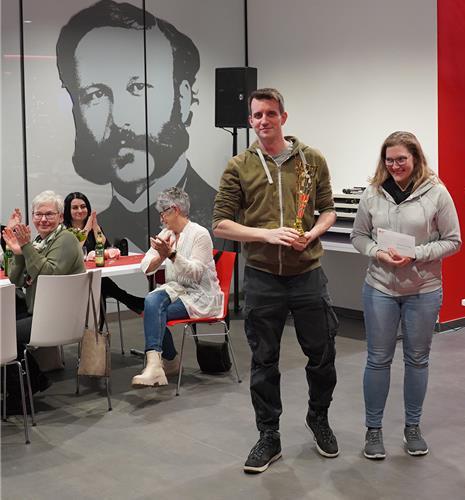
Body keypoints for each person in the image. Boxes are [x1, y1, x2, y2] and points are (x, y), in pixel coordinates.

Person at [213, 88, 339, 473]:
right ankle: (269, 435)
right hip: (263, 277)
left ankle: (318, 417)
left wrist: (313, 234)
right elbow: (221, 222)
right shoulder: (238, 166)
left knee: (321, 354)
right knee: (264, 360)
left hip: (307, 274)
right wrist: (266, 234)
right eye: (256, 115)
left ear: (283, 117)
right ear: (250, 121)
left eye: (270, 113)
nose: (263, 121)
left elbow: (328, 210)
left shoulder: (312, 160)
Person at [56, 0, 217, 251]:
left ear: (182, 98)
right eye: (96, 95)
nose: (119, 119)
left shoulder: (220, 219)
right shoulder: (95, 229)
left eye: (138, 88)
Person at [351, 131, 461, 459]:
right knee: (377, 359)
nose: (396, 165)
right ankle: (373, 431)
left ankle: (412, 427)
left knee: (417, 359)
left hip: (423, 290)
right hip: (380, 287)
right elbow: (359, 236)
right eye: (390, 159)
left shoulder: (436, 193)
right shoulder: (372, 193)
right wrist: (376, 252)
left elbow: (454, 240)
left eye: (402, 159)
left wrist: (418, 255)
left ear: (415, 158)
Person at [2, 191, 85, 412]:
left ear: (60, 216)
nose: (43, 219)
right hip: (39, 311)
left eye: (49, 214)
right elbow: (16, 278)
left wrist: (26, 247)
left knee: (3, 334)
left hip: (57, 317)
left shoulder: (66, 239)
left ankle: (21, 396)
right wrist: (18, 252)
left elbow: (48, 275)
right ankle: (33, 381)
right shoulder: (40, 241)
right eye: (38, 214)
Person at [134, 187, 223, 387]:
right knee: (152, 301)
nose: (161, 219)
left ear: (174, 210)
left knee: (154, 312)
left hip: (200, 295)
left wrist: (171, 255)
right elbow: (146, 266)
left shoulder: (200, 234)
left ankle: (168, 362)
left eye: (163, 213)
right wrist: (161, 255)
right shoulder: (166, 234)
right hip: (176, 290)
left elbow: (195, 273)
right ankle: (156, 365)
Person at [64, 192, 144, 317]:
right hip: (72, 279)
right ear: (68, 210)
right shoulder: (64, 230)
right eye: (75, 207)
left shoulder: (93, 227)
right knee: (101, 283)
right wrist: (87, 228)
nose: (80, 210)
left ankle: (99, 330)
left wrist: (95, 227)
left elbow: (104, 246)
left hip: (93, 277)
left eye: (83, 206)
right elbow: (75, 250)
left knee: (100, 283)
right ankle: (133, 302)